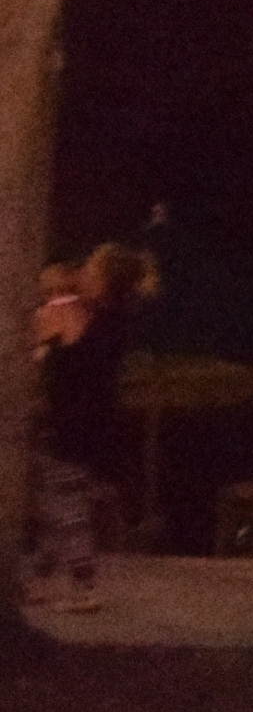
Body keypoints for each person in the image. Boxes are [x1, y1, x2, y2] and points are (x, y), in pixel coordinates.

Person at [24, 239, 148, 615]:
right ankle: (36, 580)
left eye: (91, 269)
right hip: (100, 422)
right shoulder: (117, 319)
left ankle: (84, 585)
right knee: (61, 502)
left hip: (67, 423)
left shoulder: (71, 313)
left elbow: (27, 347)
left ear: (103, 281)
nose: (82, 272)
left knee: (63, 506)